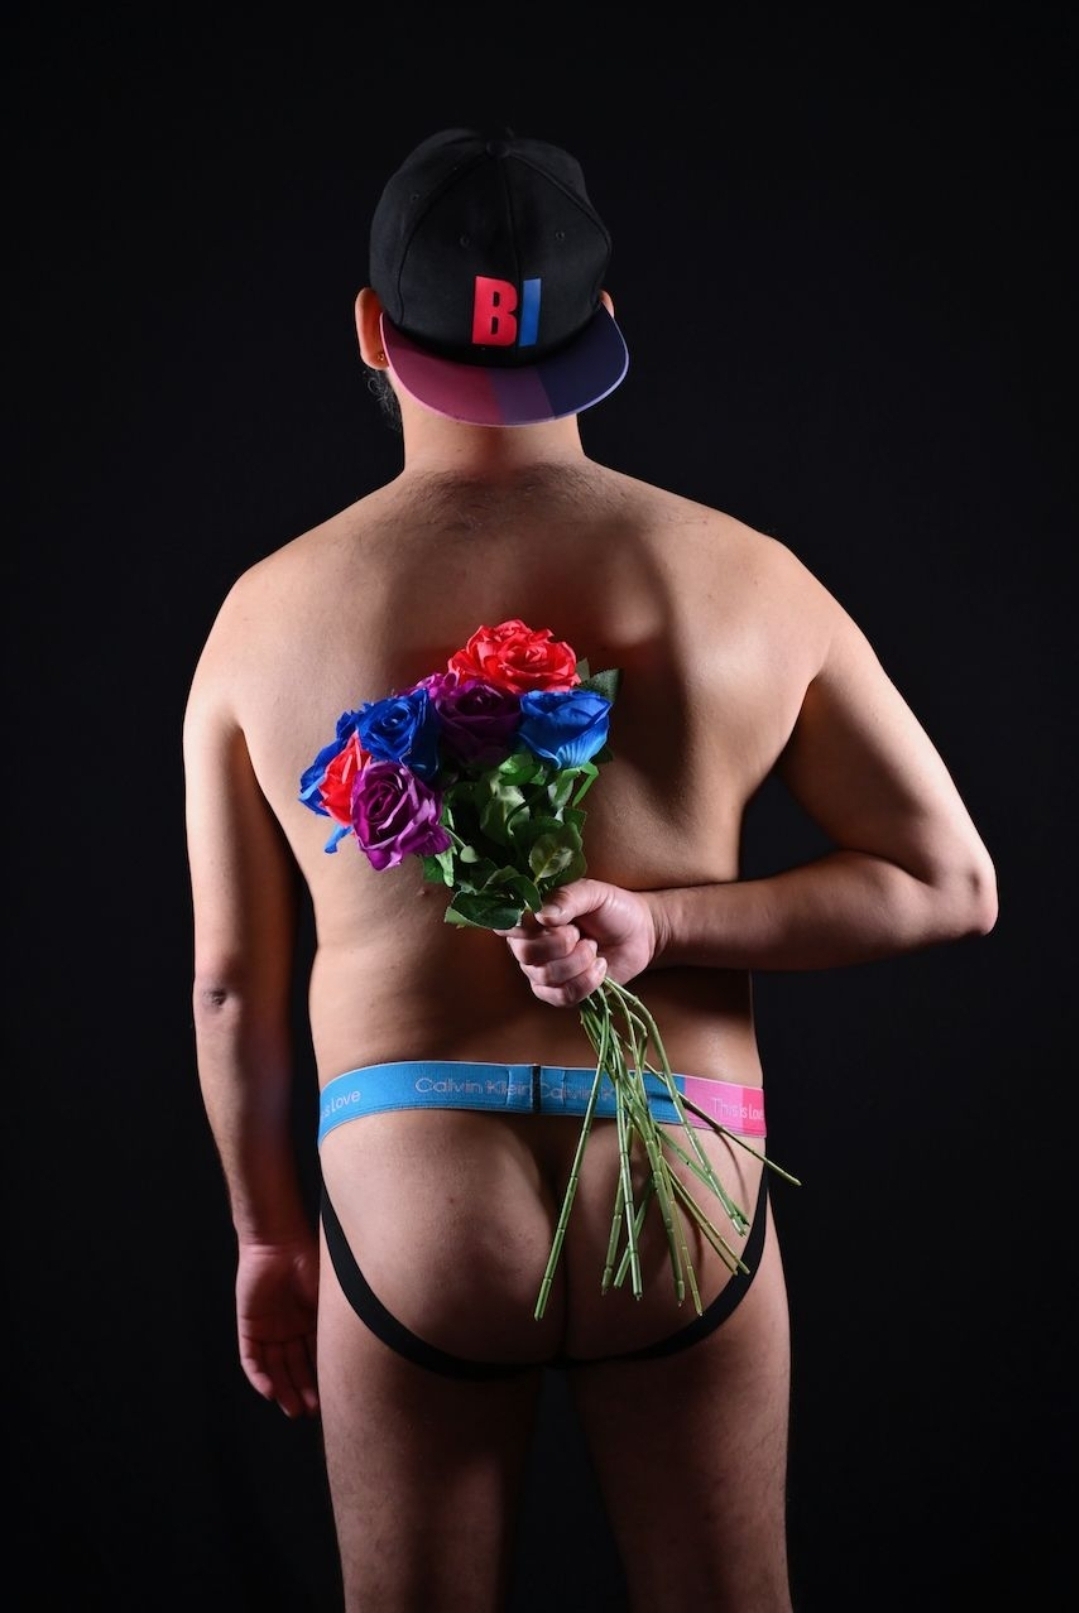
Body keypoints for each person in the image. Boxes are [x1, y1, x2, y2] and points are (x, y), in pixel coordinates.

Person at [183, 126, 998, 1613]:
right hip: (680, 1170)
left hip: (410, 1176)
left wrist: (265, 1234)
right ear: (602, 326)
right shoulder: (749, 577)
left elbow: (232, 987)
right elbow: (950, 882)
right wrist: (662, 922)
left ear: (370, 329)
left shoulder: (264, 615)